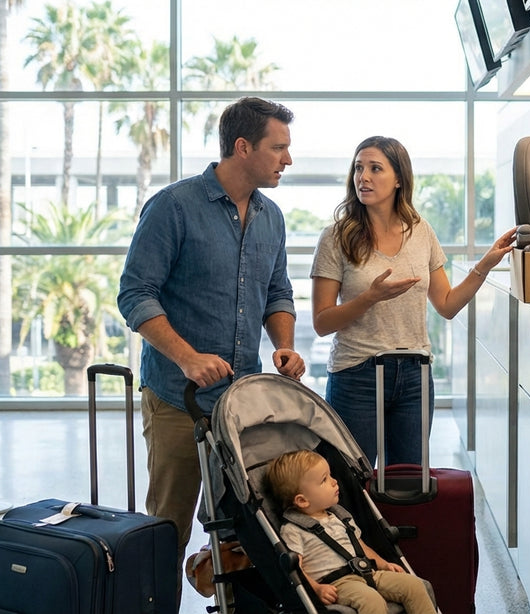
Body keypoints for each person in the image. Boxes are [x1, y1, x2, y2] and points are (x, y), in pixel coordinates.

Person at [117, 96, 306, 604]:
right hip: (180, 401)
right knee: (168, 529)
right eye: (279, 147)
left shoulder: (271, 217)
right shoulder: (173, 206)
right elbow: (135, 294)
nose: (288, 159)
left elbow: (278, 293)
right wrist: (187, 357)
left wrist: (284, 346)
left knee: (241, 530)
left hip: (242, 404)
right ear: (243, 147)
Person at [311, 136, 515, 466]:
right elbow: (321, 323)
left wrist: (485, 265)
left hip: (414, 376)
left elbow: (447, 306)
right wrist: (369, 298)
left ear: (399, 179)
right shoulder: (336, 236)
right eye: (359, 168)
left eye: (375, 168)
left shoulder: (421, 231)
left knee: (409, 484)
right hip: (356, 375)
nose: (363, 177)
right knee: (352, 485)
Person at [266, 450, 436, 614]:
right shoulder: (293, 530)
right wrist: (316, 589)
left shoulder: (340, 517)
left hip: (368, 571)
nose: (334, 482)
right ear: (302, 500)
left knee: (415, 586)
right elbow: (296, 568)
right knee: (372, 600)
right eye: (324, 480)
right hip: (338, 583)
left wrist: (384, 564)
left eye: (331, 475)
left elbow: (360, 546)